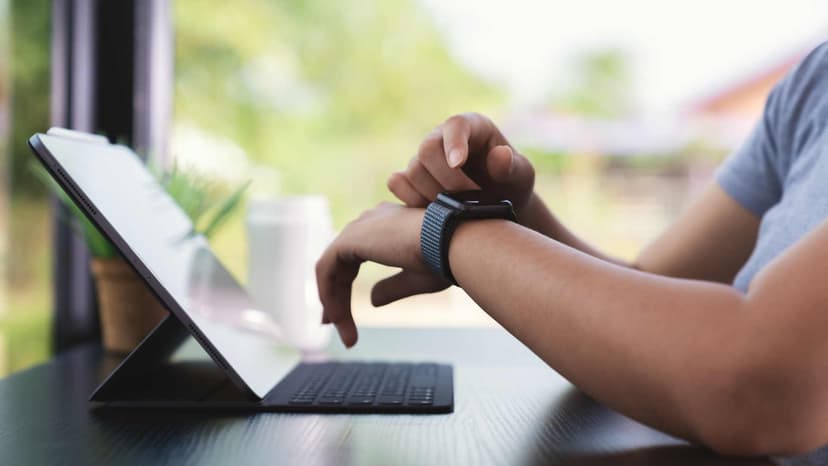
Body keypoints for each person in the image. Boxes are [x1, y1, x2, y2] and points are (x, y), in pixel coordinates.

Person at [315, 41, 828, 456]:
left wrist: (451, 233)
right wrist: (513, 215)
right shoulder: (813, 87)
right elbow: (653, 304)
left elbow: (762, 386)